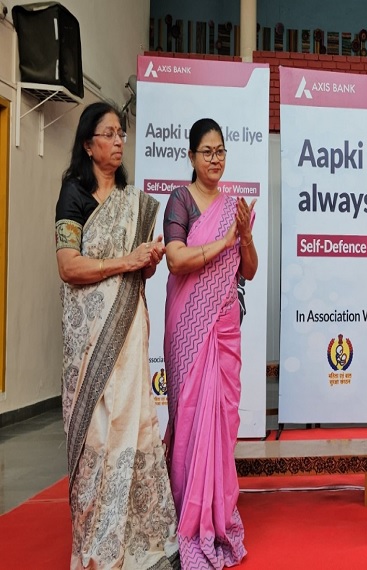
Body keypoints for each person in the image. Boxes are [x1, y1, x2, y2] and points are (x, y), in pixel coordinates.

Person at [55, 102, 179, 569]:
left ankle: (142, 545)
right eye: (108, 133)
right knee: (98, 436)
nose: (119, 140)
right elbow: (69, 267)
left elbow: (136, 277)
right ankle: (97, 550)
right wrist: (127, 261)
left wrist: (146, 261)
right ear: (88, 144)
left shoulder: (133, 202)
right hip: (89, 341)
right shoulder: (74, 195)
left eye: (121, 133)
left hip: (128, 335)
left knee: (135, 426)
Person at [163, 118, 258, 568]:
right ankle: (188, 519)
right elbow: (177, 260)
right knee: (189, 424)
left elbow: (249, 270)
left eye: (221, 151)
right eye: (207, 151)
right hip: (187, 330)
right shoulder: (180, 200)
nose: (215, 159)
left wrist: (245, 237)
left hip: (224, 329)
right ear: (191, 156)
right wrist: (225, 240)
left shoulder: (234, 206)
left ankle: (218, 519)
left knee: (219, 427)